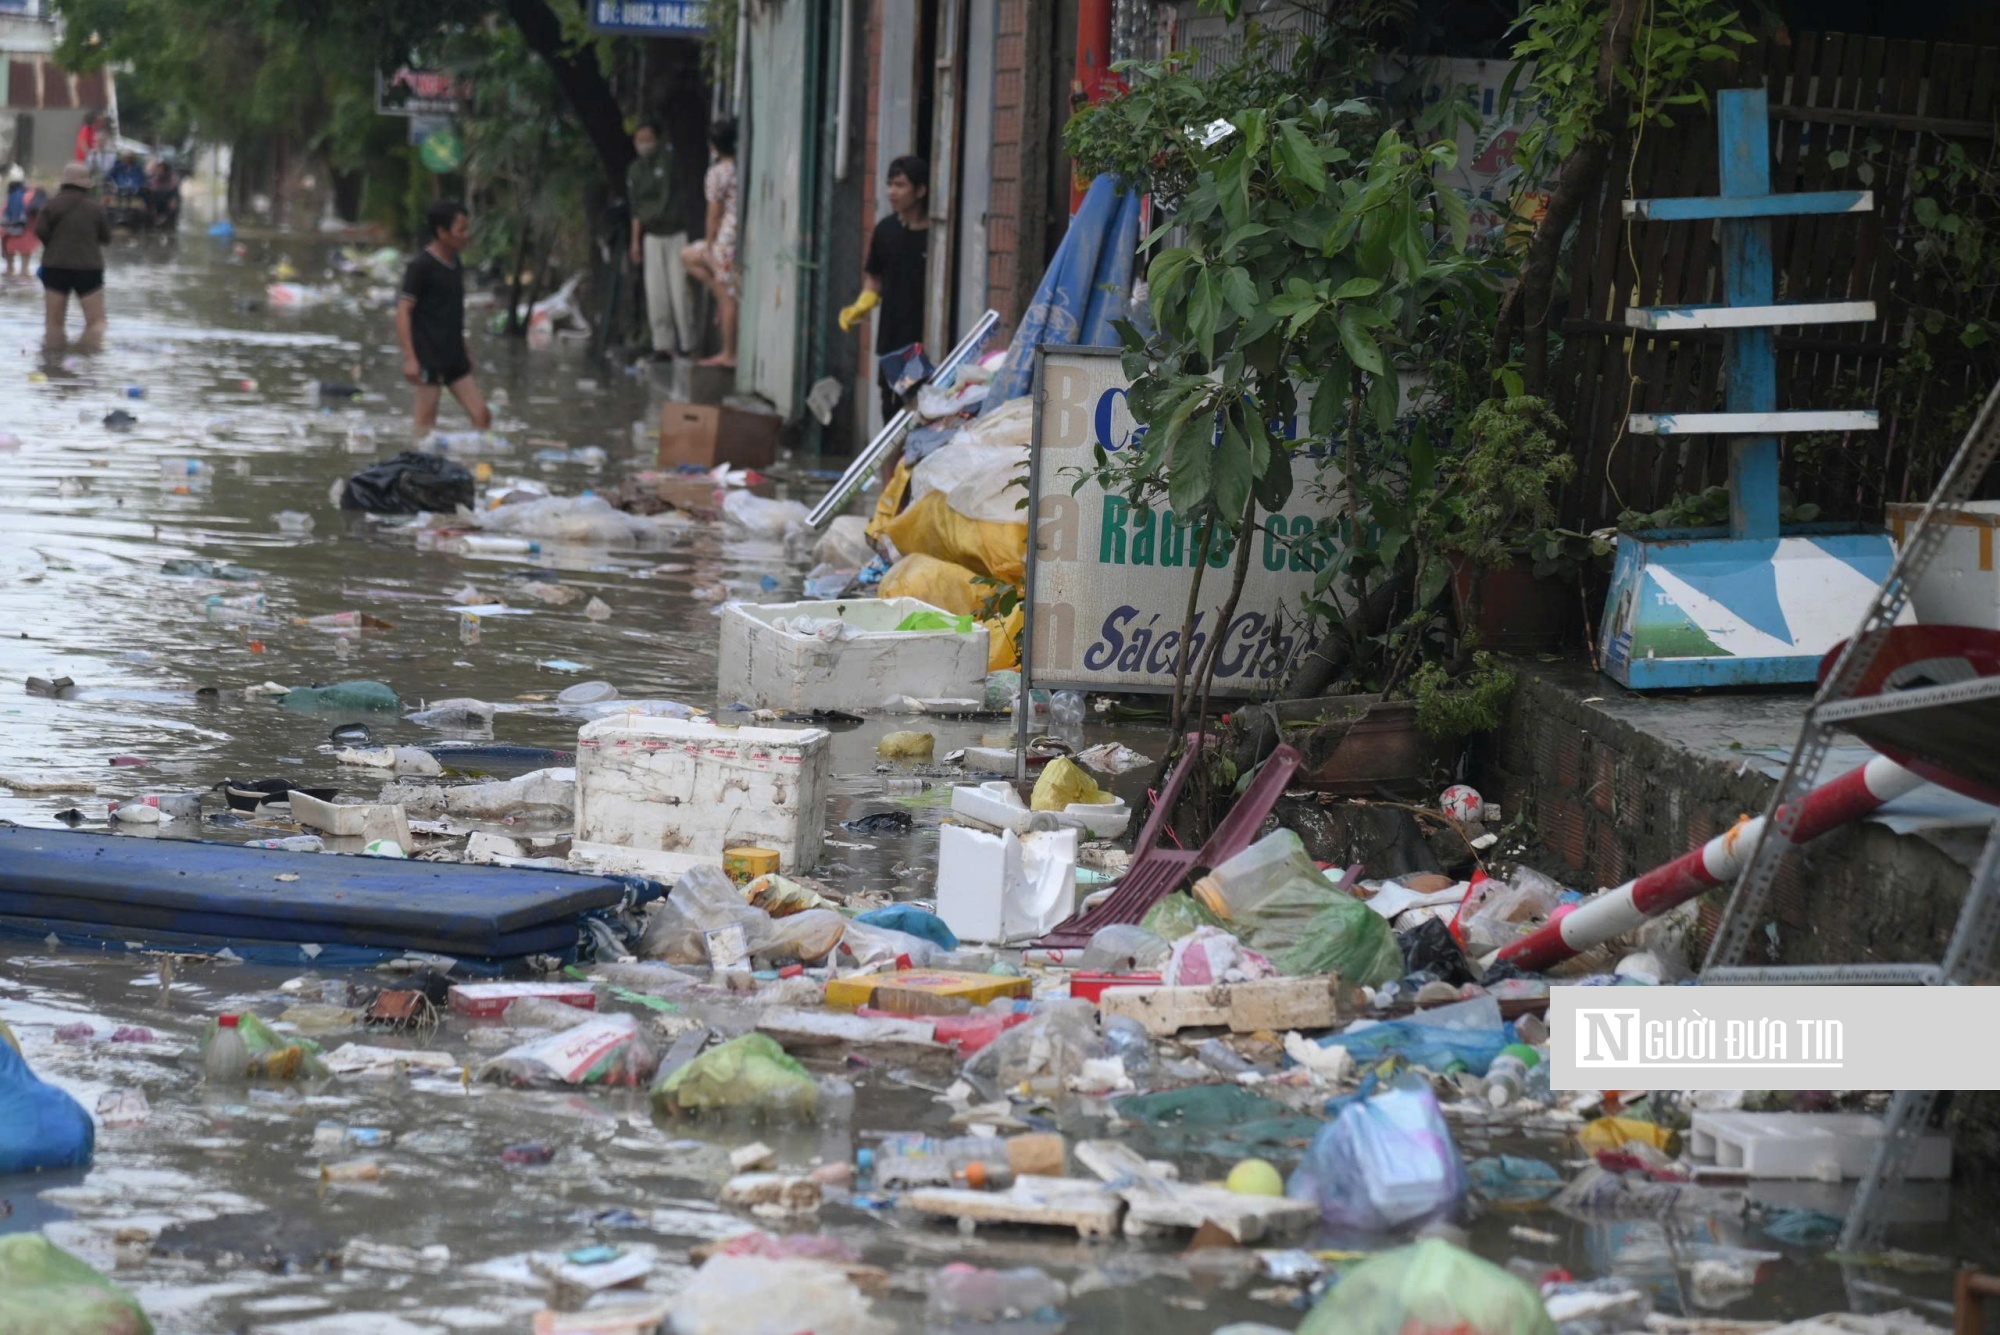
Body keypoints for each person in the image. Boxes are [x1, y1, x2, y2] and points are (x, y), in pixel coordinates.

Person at [840, 154, 931, 420]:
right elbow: (875, 277)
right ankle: (891, 464)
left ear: (921, 190)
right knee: (892, 408)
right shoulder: (885, 231)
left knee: (922, 406)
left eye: (900, 185)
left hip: (924, 340)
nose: (892, 192)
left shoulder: (935, 236)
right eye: (890, 184)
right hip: (893, 340)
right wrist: (863, 303)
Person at [397, 200, 491, 439]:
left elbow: (451, 310)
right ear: (442, 232)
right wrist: (410, 358)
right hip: (428, 355)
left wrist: (465, 347)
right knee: (425, 426)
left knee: (481, 415)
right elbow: (403, 311)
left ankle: (474, 469)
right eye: (461, 230)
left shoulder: (456, 263)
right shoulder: (421, 266)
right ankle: (417, 471)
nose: (466, 235)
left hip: (454, 353)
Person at [626, 122, 691, 360]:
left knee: (680, 291)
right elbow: (636, 209)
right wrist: (635, 242)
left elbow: (666, 196)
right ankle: (663, 345)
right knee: (657, 293)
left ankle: (687, 342)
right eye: (639, 139)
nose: (644, 144)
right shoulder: (634, 171)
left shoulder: (668, 160)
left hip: (675, 233)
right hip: (652, 236)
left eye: (647, 138)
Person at [680, 118, 739, 369]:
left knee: (727, 297)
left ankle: (729, 352)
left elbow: (714, 212)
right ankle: (717, 287)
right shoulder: (741, 167)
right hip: (739, 235)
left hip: (725, 238)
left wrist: (709, 242)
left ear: (714, 146)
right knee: (687, 257)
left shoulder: (717, 173)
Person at [35, 162, 110, 349]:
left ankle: (53, 364)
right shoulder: (95, 208)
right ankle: (89, 362)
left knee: (53, 324)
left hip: (55, 267)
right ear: (87, 185)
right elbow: (106, 238)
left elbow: (40, 231)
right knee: (97, 322)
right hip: (88, 269)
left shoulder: (51, 205)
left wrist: (54, 245)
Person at [3, 167, 44, 278]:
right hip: (28, 230)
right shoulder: (32, 195)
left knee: (9, 267)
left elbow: (5, 215)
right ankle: (23, 273)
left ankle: (10, 270)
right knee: (25, 269)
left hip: (11, 231)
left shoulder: (11, 198)